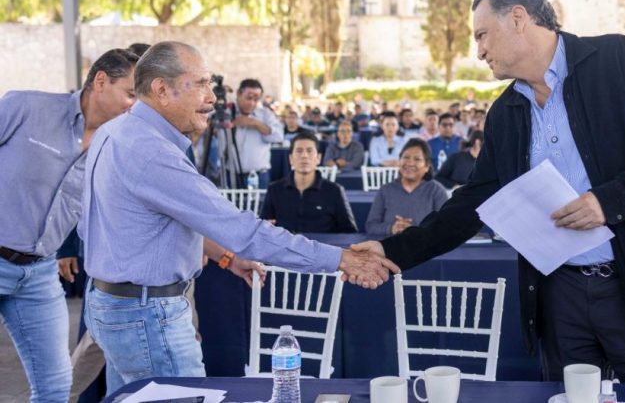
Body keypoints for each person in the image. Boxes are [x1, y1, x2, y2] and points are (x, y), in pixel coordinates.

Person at [348, 0, 625, 382]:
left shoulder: (620, 59)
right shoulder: (505, 113)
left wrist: (609, 201)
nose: (479, 51)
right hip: (561, 298)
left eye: (482, 35)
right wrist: (391, 250)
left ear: (518, 18)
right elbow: (473, 203)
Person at [79, 41, 398, 394]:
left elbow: (135, 225)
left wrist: (226, 257)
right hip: (146, 316)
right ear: (161, 89)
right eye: (201, 84)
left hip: (114, 305)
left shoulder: (114, 132)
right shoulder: (151, 152)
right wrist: (340, 259)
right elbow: (244, 231)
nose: (212, 97)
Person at [0, 48, 139, 402]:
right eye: (131, 94)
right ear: (101, 81)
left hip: (39, 275)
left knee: (56, 387)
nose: (135, 105)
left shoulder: (117, 146)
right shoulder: (24, 107)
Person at [262, 132, 358, 233]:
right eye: (299, 151)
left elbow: (349, 232)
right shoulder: (274, 190)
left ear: (318, 158)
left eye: (309, 151)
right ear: (290, 159)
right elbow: (263, 227)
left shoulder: (334, 191)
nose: (304, 156)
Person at [365, 139, 449, 235]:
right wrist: (392, 228)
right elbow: (371, 226)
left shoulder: (437, 191)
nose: (410, 163)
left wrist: (415, 230)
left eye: (417, 159)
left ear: (427, 166)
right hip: (389, 243)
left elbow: (445, 227)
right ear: (399, 161)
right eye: (406, 157)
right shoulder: (385, 190)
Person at [233, 78, 284, 189]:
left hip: (258, 176)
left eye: (256, 99)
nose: (251, 103)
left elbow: (279, 136)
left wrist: (255, 123)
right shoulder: (228, 112)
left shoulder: (265, 114)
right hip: (231, 175)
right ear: (238, 94)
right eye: (248, 98)